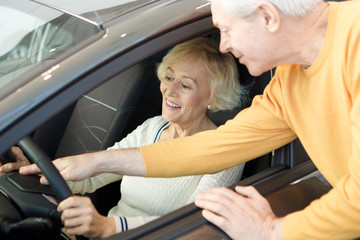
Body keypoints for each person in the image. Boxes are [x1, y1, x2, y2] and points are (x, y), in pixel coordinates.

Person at [16, 0, 360, 239]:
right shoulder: (288, 80)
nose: (223, 46)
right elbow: (214, 147)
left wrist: (272, 233)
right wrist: (93, 162)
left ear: (268, 17)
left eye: (226, 30)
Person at [0, 38, 247, 239]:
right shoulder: (154, 127)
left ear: (213, 97)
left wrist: (110, 226)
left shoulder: (224, 151)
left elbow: (195, 226)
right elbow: (93, 175)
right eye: (169, 77)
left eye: (186, 85)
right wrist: (39, 173)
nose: (169, 91)